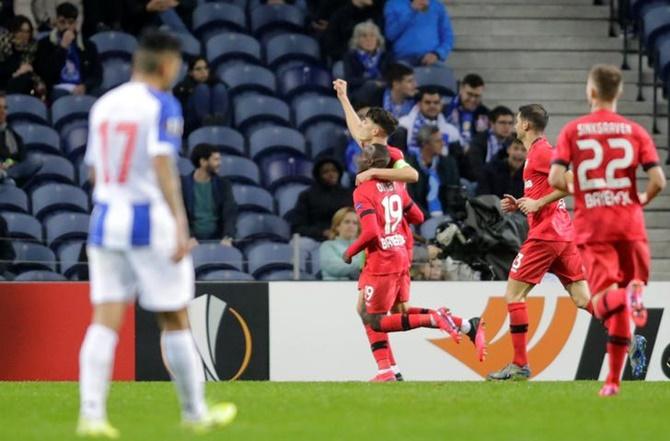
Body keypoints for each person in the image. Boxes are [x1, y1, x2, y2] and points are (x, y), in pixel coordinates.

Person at [78, 30, 236, 438]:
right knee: (175, 317)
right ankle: (194, 413)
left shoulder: (104, 105)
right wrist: (180, 223)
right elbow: (163, 163)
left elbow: (95, 171)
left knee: (104, 320)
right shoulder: (162, 103)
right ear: (166, 65)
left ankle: (91, 417)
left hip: (105, 219)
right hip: (149, 220)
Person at [549, 64, 666, 396]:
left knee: (602, 303)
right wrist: (640, 198)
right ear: (620, 93)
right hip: (630, 224)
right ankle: (613, 381)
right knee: (620, 311)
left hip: (595, 227)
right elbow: (659, 180)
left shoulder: (573, 131)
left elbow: (557, 179)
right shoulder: (635, 131)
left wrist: (586, 187)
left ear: (591, 91)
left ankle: (627, 298)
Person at [343, 143, 486, 381]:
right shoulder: (398, 185)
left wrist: (349, 252)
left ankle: (426, 327)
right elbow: (418, 216)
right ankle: (465, 326)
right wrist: (397, 220)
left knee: (373, 319)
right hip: (400, 254)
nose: (360, 155)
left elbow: (370, 233)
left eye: (364, 154)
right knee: (394, 311)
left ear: (371, 163)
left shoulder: (362, 190)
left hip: (381, 260)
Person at [486, 104, 595, 382]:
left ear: (525, 125)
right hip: (562, 235)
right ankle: (628, 336)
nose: (514, 124)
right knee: (583, 299)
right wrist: (523, 203)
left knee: (514, 295)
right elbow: (547, 188)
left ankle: (520, 364)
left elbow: (572, 182)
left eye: (517, 120)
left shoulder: (543, 151)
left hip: (546, 236)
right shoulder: (536, 153)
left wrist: (537, 203)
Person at [34, 2, 101, 100]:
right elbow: (46, 74)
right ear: (56, 21)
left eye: (70, 22)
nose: (66, 27)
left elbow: (97, 74)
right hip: (58, 87)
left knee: (101, 93)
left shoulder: (88, 46)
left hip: (82, 86)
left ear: (76, 24)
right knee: (59, 95)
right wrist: (62, 48)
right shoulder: (44, 44)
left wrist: (85, 86)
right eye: (62, 22)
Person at [181, 144, 237, 246]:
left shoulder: (223, 184)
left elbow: (230, 213)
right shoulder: (183, 185)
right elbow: (180, 213)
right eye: (215, 160)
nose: (219, 163)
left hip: (219, 240)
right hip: (190, 240)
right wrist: (188, 236)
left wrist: (228, 236)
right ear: (203, 162)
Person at [289, 157, 353, 241]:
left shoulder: (349, 194)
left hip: (346, 237)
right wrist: (322, 232)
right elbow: (298, 227)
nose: (331, 174)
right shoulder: (307, 196)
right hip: (315, 239)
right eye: (325, 172)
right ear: (318, 176)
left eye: (334, 171)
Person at [406, 125, 461, 218]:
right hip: (420, 217)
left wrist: (448, 217)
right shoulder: (409, 166)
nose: (443, 144)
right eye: (438, 141)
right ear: (425, 144)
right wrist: (427, 218)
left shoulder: (449, 163)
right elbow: (410, 199)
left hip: (446, 216)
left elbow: (454, 194)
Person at [384, 0, 454, 66]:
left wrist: (437, 54)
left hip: (431, 58)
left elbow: (447, 36)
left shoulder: (437, 6)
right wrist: (411, 11)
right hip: (403, 59)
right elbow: (390, 35)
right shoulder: (393, 4)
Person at [398, 87, 462, 156]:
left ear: (441, 104)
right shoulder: (403, 124)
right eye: (427, 102)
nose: (432, 106)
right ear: (419, 104)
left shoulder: (452, 131)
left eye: (436, 102)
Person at [173, 57, 229, 134]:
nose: (203, 72)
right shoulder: (183, 86)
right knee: (202, 88)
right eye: (198, 69)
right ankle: (205, 120)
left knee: (220, 88)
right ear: (190, 72)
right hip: (192, 124)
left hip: (218, 122)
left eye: (206, 68)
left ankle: (218, 120)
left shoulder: (217, 82)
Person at [0, 91, 42, 187]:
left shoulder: (9, 131)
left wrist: (8, 163)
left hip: (9, 168)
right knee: (9, 184)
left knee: (36, 160)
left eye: (5, 108)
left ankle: (5, 175)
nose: (3, 111)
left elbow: (21, 154)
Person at [0, 15, 46, 98]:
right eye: (21, 31)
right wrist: (18, 69)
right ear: (13, 31)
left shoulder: (33, 48)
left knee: (26, 78)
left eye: (27, 31)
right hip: (3, 81)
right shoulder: (3, 44)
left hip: (24, 84)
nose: (24, 35)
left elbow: (37, 70)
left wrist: (23, 71)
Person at [468, 105, 515, 182]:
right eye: (502, 122)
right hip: (481, 180)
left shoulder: (513, 142)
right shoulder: (479, 140)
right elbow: (476, 168)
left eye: (510, 123)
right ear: (492, 123)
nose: (507, 127)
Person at [342, 20, 390, 96]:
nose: (369, 39)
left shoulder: (385, 56)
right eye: (364, 36)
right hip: (358, 94)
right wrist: (372, 83)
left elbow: (390, 78)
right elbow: (350, 80)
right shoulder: (350, 56)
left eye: (372, 35)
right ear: (357, 40)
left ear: (378, 39)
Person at [445, 73, 490, 148]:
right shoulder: (446, 109)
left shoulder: (485, 113)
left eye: (477, 96)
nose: (472, 99)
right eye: (469, 94)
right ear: (461, 89)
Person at [319, 207, 364, 280]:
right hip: (332, 289)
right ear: (337, 226)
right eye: (347, 222)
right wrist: (362, 262)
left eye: (355, 223)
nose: (351, 226)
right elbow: (335, 268)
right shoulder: (327, 246)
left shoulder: (364, 248)